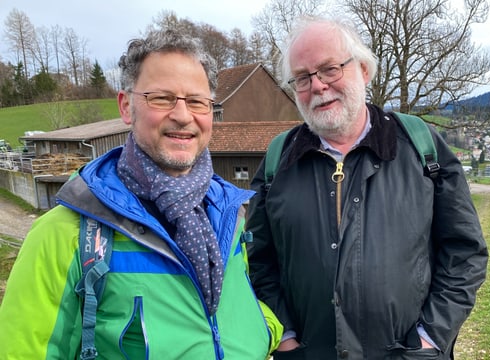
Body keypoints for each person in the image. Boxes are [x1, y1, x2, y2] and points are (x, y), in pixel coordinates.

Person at [0, 29, 280, 359]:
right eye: (161, 98)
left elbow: (235, 303)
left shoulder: (229, 213)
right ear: (126, 106)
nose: (182, 115)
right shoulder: (66, 234)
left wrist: (269, 331)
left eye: (196, 101)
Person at [246, 15, 489, 360]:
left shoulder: (420, 147)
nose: (317, 86)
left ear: (363, 69)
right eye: (302, 78)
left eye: (330, 69)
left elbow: (465, 253)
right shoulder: (277, 161)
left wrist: (430, 338)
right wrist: (285, 337)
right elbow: (259, 262)